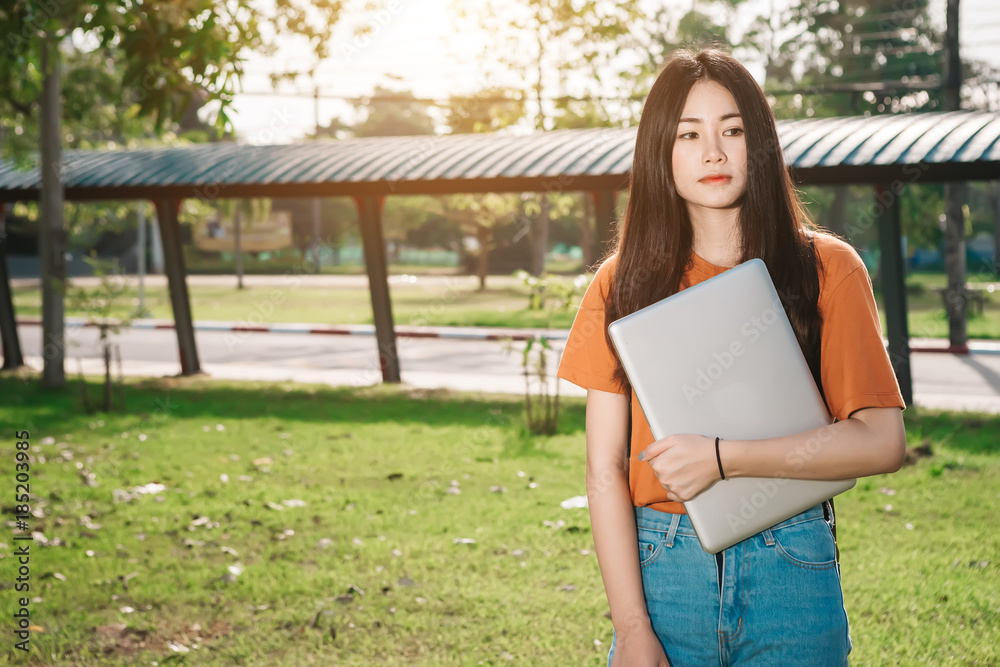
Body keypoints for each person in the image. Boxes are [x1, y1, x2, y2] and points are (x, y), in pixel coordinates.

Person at [555, 48, 907, 666]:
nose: (713, 151)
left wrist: (722, 459)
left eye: (734, 130)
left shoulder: (828, 268)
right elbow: (603, 471)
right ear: (661, 152)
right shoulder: (622, 282)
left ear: (760, 144)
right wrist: (633, 629)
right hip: (662, 572)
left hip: (792, 565)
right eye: (689, 134)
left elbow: (881, 442)